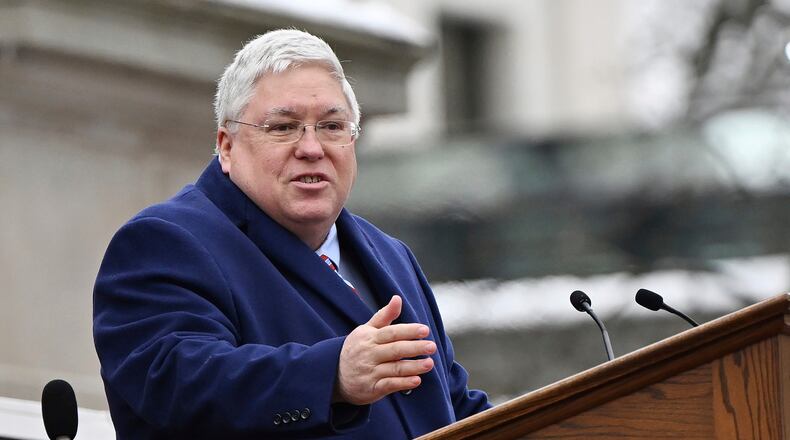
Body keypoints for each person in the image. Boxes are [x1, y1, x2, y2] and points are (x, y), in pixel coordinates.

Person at [93, 29, 490, 439]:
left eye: (333, 126)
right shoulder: (164, 242)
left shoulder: (391, 254)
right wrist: (330, 376)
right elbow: (178, 385)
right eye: (283, 127)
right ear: (226, 147)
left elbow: (451, 404)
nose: (312, 148)